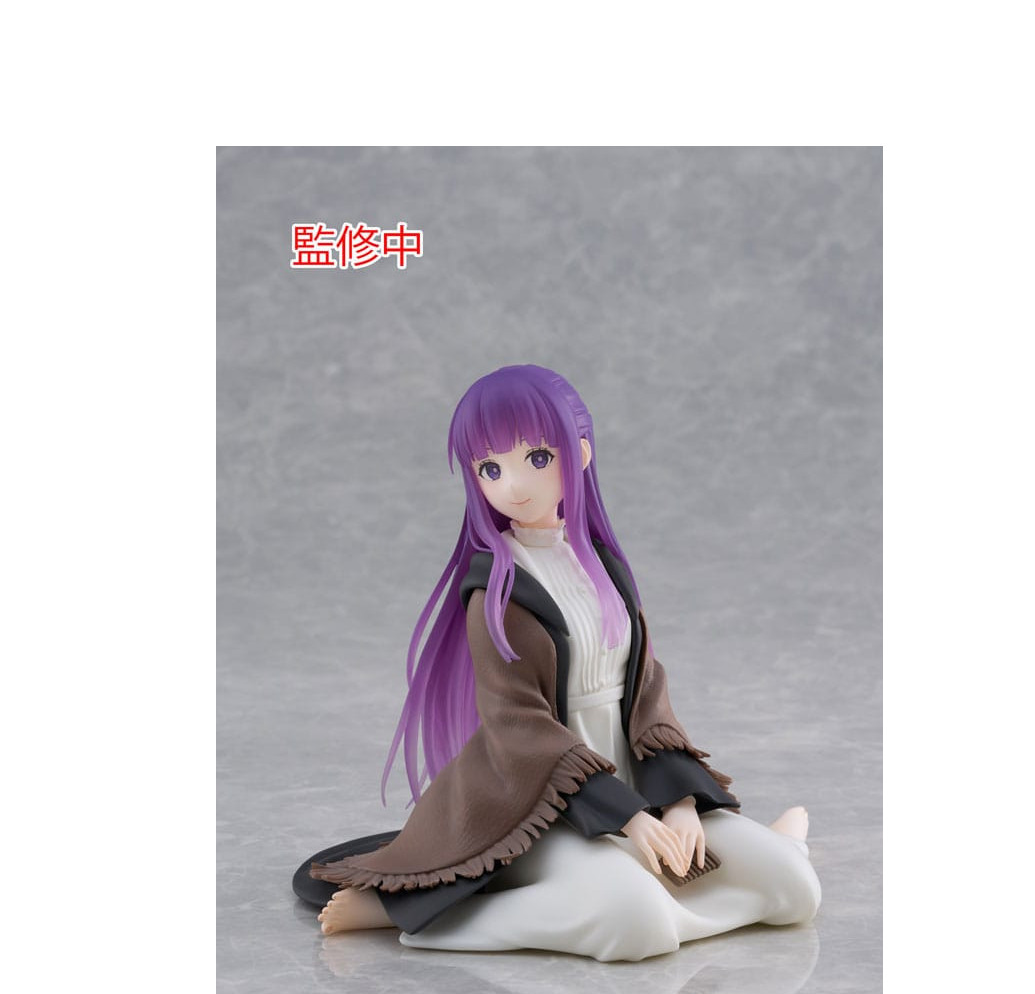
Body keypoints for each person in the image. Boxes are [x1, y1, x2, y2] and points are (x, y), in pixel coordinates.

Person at [295, 364, 821, 962]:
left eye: (537, 458)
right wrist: (628, 818)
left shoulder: (603, 565)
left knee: (797, 890)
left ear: (581, 453)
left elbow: (647, 694)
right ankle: (418, 915)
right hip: (543, 805)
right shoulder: (496, 590)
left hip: (636, 787)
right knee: (637, 924)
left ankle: (773, 856)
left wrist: (678, 804)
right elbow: (519, 726)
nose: (514, 486)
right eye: (490, 469)